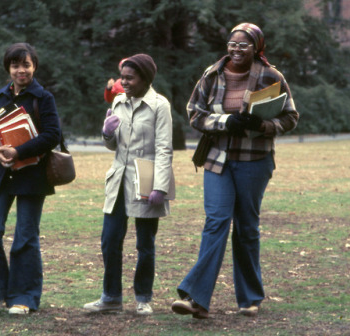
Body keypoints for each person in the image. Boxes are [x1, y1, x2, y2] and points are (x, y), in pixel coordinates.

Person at [171, 23, 299, 319]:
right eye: (232, 44)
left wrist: (265, 125)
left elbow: (291, 116)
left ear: (256, 48)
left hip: (255, 161)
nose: (236, 50)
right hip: (218, 160)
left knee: (246, 228)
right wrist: (225, 123)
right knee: (216, 222)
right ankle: (196, 299)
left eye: (244, 45)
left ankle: (250, 298)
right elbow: (195, 113)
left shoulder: (271, 76)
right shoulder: (212, 74)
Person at [0, 43, 61, 315]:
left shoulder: (42, 97)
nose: (21, 70)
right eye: (15, 65)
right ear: (8, 68)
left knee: (25, 236)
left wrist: (19, 150)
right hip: (1, 174)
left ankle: (24, 297)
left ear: (34, 66)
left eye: (26, 64)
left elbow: (52, 135)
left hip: (32, 176)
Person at [83, 54, 174, 315]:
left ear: (145, 78)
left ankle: (143, 297)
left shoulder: (160, 105)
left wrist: (160, 186)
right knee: (109, 239)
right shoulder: (118, 101)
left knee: (145, 244)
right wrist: (107, 132)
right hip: (118, 180)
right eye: (123, 77)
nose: (123, 82)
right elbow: (112, 145)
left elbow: (164, 148)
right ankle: (110, 297)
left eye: (129, 78)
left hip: (146, 179)